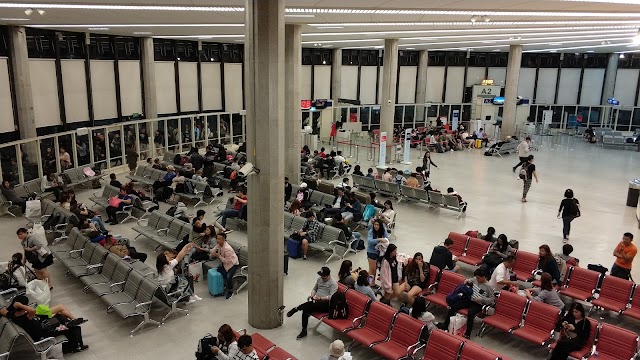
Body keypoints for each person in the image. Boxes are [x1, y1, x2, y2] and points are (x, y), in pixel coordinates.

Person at [1, 295, 89, 354]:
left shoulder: (12, 315)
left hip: (42, 327)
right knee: (74, 328)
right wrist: (19, 304)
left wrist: (15, 304)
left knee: (60, 317)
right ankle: (75, 346)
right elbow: (32, 311)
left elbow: (2, 311)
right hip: (44, 334)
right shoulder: (26, 317)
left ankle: (66, 326)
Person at [438, 269, 495, 339]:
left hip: (478, 304)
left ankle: (467, 333)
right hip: (469, 299)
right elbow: (471, 279)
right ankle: (445, 325)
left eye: (478, 278)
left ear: (484, 277)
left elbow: (492, 300)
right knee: (454, 306)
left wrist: (481, 299)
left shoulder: (489, 287)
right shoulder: (475, 279)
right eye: (476, 277)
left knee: (470, 313)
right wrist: (467, 280)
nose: (477, 279)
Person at [286, 266, 338, 339]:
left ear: (328, 275)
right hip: (316, 302)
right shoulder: (319, 279)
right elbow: (314, 289)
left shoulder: (333, 284)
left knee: (309, 305)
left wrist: (320, 298)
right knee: (306, 309)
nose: (322, 278)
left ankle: (297, 308)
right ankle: (304, 330)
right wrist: (312, 294)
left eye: (324, 277)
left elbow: (331, 297)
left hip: (326, 305)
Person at [210, 233, 240, 299]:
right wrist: (213, 252)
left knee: (228, 276)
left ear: (223, 240)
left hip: (233, 264)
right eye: (217, 238)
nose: (217, 240)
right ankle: (226, 284)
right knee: (218, 270)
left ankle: (230, 291)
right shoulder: (219, 245)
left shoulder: (227, 249)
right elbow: (212, 251)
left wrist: (218, 256)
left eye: (219, 239)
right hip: (226, 263)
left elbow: (226, 261)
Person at [367, 219, 389, 287]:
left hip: (379, 253)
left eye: (378, 225)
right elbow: (369, 241)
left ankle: (372, 283)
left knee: (374, 269)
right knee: (372, 269)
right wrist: (379, 239)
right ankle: (368, 283)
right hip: (371, 252)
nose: (376, 226)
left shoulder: (383, 231)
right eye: (375, 225)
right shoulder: (371, 231)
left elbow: (386, 239)